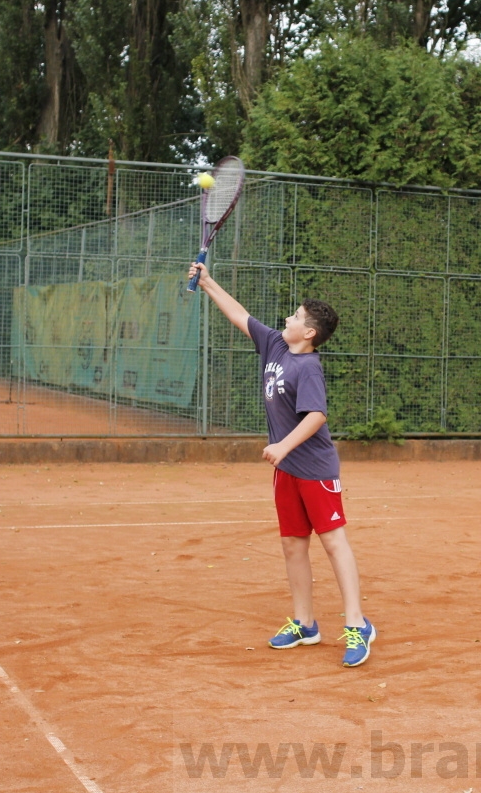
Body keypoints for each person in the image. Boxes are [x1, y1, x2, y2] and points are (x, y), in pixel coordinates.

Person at [188, 260, 375, 666]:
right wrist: (207, 283)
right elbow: (240, 315)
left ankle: (357, 624)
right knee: (293, 544)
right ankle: (305, 623)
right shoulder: (274, 344)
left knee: (333, 543)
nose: (286, 317)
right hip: (286, 471)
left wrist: (283, 446)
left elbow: (316, 416)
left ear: (309, 333)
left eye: (295, 315)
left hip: (316, 470)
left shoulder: (308, 366)